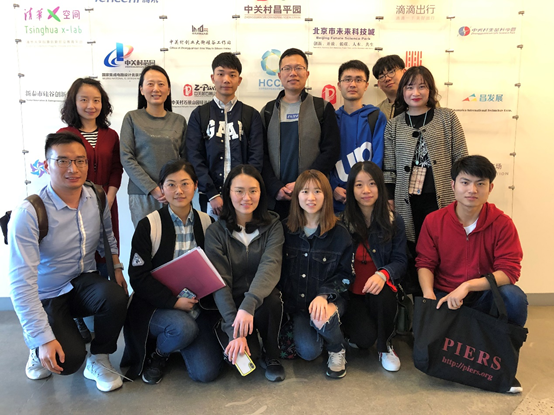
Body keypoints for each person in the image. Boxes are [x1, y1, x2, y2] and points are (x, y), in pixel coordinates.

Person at [8, 132, 128, 392]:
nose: (73, 169)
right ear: (46, 165)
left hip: (82, 281)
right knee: (67, 361)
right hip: (48, 292)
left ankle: (99, 359)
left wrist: (117, 267)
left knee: (116, 296)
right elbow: (21, 284)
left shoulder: (96, 196)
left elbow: (107, 236)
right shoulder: (29, 213)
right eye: (62, 161)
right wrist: (42, 339)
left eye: (80, 161)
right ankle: (35, 344)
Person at [416, 155, 527, 393]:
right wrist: (428, 295)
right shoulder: (434, 221)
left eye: (480, 184)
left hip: (484, 295)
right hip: (445, 294)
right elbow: (425, 262)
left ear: (490, 188)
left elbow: (509, 271)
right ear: (453, 184)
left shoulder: (502, 223)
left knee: (514, 297)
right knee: (433, 357)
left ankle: (504, 362)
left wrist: (467, 286)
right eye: (465, 182)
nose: (472, 190)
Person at [121, 160, 222, 384]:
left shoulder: (207, 223)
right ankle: (160, 354)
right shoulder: (149, 225)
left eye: (185, 183)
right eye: (171, 184)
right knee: (183, 328)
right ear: (161, 188)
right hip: (156, 306)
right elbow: (138, 277)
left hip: (196, 306)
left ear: (195, 186)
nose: (179, 191)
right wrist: (173, 302)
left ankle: (179, 340)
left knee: (206, 373)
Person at [383, 66, 468, 292]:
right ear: (402, 91)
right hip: (407, 200)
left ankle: (443, 294)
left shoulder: (447, 117)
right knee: (412, 247)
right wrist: (390, 197)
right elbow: (389, 167)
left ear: (431, 90)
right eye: (410, 87)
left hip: (441, 198)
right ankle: (418, 299)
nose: (416, 92)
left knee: (443, 245)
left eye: (422, 86)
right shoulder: (394, 124)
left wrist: (463, 192)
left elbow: (461, 157)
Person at [205, 165, 285, 382]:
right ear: (228, 193)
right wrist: (235, 332)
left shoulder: (273, 226)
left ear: (261, 192)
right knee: (247, 359)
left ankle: (272, 354)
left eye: (253, 191)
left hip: (259, 299)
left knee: (273, 299)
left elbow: (270, 266)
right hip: (230, 303)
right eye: (239, 191)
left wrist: (249, 304)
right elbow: (220, 282)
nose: (246, 198)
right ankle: (232, 333)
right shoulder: (215, 232)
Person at [58, 77, 124, 343]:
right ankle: (75, 315)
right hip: (75, 206)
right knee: (77, 255)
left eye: (96, 100)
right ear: (74, 102)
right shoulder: (66, 134)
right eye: (84, 99)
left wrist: (109, 197)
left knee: (107, 254)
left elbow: (117, 168)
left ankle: (103, 311)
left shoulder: (111, 135)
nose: (90, 105)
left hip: (106, 202)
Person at [280, 170, 352, 379]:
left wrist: (324, 295)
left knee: (322, 319)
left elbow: (346, 275)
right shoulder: (285, 229)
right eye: (305, 191)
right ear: (297, 196)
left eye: (317, 191)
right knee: (309, 352)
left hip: (330, 300)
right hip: (299, 307)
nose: (311, 197)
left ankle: (337, 348)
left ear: (326, 195)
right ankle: (323, 332)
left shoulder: (340, 233)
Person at [340, 161, 407, 372]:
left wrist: (383, 274)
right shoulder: (341, 223)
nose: (366, 190)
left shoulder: (394, 221)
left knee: (384, 293)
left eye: (372, 184)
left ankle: (385, 346)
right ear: (351, 190)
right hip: (352, 292)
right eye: (359, 185)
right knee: (363, 339)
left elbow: (401, 260)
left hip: (379, 290)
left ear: (380, 186)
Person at [261, 48, 340, 218]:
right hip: (277, 199)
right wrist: (275, 187)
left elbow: (331, 150)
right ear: (279, 75)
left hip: (313, 197)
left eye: (299, 68)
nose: (293, 73)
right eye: (287, 68)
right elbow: (261, 154)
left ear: (307, 73)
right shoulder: (267, 111)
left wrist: (303, 184)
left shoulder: (322, 108)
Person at [186, 52, 264, 218]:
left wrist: (244, 191)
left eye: (232, 75)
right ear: (213, 78)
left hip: (244, 197)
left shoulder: (251, 115)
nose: (226, 80)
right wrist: (212, 194)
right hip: (210, 198)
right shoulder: (199, 114)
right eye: (221, 74)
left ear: (239, 80)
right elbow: (194, 156)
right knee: (210, 233)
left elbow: (256, 157)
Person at [120, 65, 187, 227]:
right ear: (141, 89)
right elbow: (126, 157)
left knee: (175, 239)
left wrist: (172, 188)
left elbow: (185, 159)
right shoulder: (132, 118)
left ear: (168, 90)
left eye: (161, 84)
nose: (156, 89)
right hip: (142, 193)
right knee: (146, 239)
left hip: (174, 193)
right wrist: (152, 188)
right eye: (150, 84)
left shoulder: (179, 121)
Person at [330, 60, 387, 213]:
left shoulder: (376, 116)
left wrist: (365, 187)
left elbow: (378, 157)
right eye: (347, 79)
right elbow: (325, 158)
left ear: (366, 85)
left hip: (367, 199)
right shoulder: (331, 119)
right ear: (339, 85)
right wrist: (333, 187)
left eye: (358, 80)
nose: (353, 84)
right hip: (337, 200)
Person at [372, 55, 406, 120]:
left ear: (404, 73)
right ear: (379, 84)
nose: (387, 79)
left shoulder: (420, 104)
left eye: (391, 72)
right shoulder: (377, 113)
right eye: (382, 76)